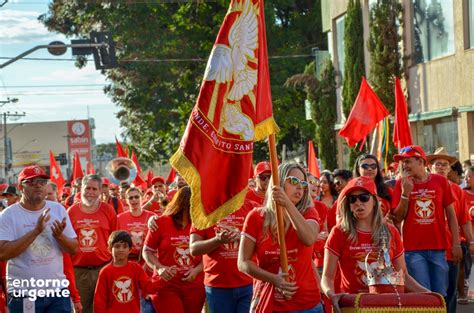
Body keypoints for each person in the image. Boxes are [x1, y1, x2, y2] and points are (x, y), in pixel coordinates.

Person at [321, 176, 428, 313]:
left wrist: (429, 294)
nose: (358, 203)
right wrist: (331, 294)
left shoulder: (391, 231)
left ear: (375, 201)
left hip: (386, 305)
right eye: (352, 199)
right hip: (354, 305)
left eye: (364, 197)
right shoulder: (339, 232)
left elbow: (403, 276)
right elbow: (327, 277)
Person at [238, 163, 323, 313]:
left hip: (307, 305)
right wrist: (274, 279)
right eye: (294, 181)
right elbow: (243, 263)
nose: (300, 187)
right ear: (278, 182)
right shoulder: (256, 217)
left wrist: (287, 205)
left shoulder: (309, 212)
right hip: (270, 304)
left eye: (303, 183)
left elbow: (309, 238)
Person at [0, 165, 78, 312]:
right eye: (31, 182)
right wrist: (36, 231)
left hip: (57, 293)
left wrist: (60, 236)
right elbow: (3, 253)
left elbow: (74, 249)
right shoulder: (8, 215)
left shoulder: (58, 209)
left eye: (42, 182)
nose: (38, 186)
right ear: (20, 187)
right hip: (24, 294)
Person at [391, 145, 462, 298]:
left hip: (438, 248)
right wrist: (405, 194)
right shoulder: (401, 184)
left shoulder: (440, 181)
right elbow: (397, 218)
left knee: (440, 295)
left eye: (408, 161)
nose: (404, 165)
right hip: (413, 250)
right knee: (424, 296)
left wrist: (456, 243)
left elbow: (451, 215)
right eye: (402, 162)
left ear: (421, 161)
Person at [143, 186, 205, 313]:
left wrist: (197, 270)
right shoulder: (160, 222)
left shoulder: (202, 224)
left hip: (194, 286)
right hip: (167, 286)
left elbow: (211, 253)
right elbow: (147, 250)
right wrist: (159, 267)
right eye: (191, 207)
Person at [190, 198, 256, 313]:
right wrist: (217, 240)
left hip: (248, 284)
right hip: (217, 286)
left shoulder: (252, 207)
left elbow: (263, 241)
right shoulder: (204, 210)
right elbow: (194, 249)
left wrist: (241, 237)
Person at [427, 147, 472, 311]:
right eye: (437, 164)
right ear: (429, 167)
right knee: (431, 294)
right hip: (428, 250)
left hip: (452, 250)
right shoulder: (421, 188)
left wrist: (471, 241)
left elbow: (464, 220)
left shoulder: (456, 191)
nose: (440, 167)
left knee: (450, 293)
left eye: (444, 164)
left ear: (449, 168)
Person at [68, 174, 117, 313]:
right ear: (81, 189)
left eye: (94, 189)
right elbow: (65, 242)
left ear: (100, 190)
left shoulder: (108, 210)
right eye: (87, 188)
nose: (90, 192)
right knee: (81, 310)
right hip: (79, 272)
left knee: (105, 308)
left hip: (103, 269)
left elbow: (116, 239)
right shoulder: (71, 212)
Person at [94, 231, 157, 313]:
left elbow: (148, 287)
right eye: (117, 246)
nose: (121, 249)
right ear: (109, 249)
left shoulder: (136, 268)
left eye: (124, 246)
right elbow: (99, 301)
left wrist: (163, 277)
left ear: (130, 249)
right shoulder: (105, 272)